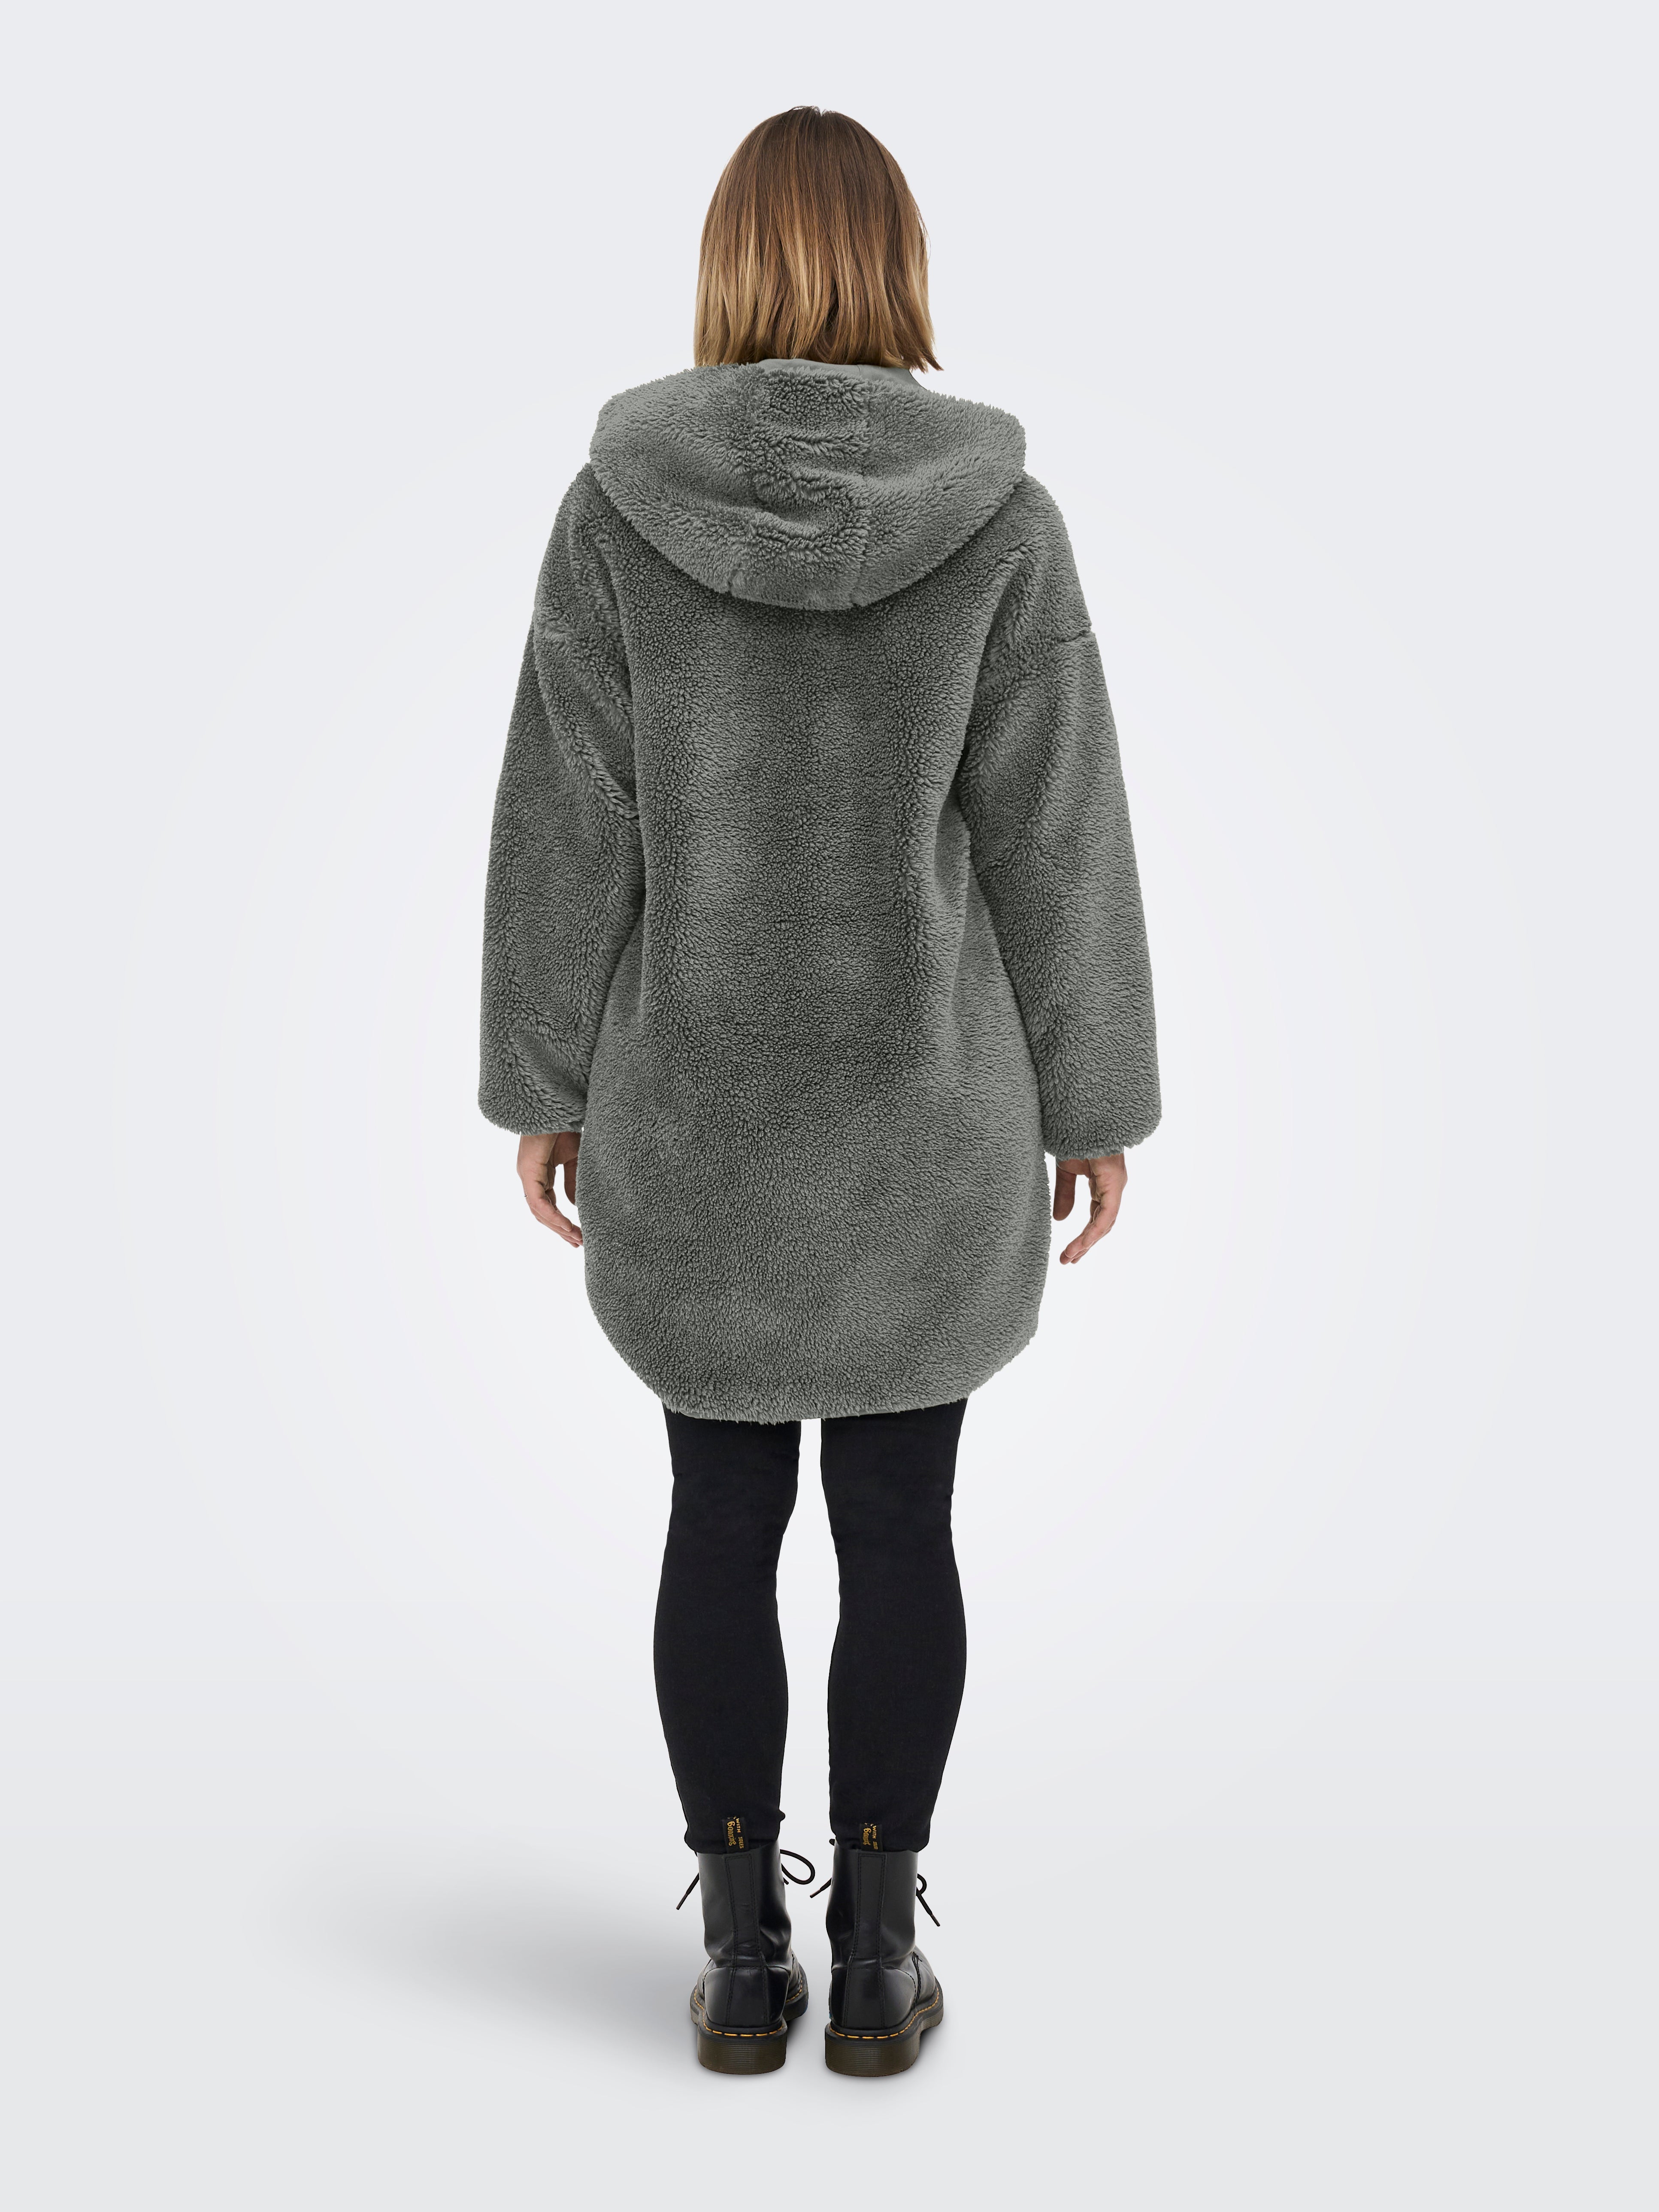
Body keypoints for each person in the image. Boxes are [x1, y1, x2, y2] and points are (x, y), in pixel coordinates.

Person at [478, 105, 1160, 2076]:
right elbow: (1056, 831)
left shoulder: (614, 511)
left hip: (690, 1104)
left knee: (715, 1511)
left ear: (726, 261)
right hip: (924, 1111)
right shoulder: (1002, 522)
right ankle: (873, 1958)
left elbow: (565, 815)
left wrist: (540, 1073)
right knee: (899, 1521)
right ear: (898, 262)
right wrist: (1092, 1097)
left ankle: (739, 1963)